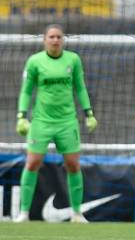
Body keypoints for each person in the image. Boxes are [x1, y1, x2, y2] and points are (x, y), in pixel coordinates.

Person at [15, 24, 98, 223]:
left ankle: (77, 213)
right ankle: (24, 213)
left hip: (67, 121)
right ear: (44, 40)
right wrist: (21, 116)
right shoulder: (35, 61)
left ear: (63, 40)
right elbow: (27, 91)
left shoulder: (73, 59)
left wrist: (89, 113)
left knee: (72, 164)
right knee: (33, 162)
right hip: (41, 121)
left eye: (58, 36)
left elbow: (80, 87)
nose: (55, 40)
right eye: (51, 36)